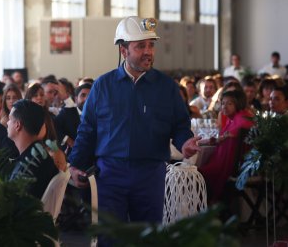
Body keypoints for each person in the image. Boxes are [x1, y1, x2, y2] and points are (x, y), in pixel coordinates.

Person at [68, 16, 200, 229]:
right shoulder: (103, 86)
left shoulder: (166, 87)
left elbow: (180, 125)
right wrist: (75, 164)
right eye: (140, 46)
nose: (148, 51)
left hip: (150, 174)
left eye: (151, 45)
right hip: (109, 175)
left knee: (147, 237)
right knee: (111, 238)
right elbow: (87, 130)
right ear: (123, 51)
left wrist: (185, 142)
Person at [197, 90, 253, 203]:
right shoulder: (233, 119)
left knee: (194, 172)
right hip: (232, 164)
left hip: (232, 167)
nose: (224, 107)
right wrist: (218, 139)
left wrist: (225, 136)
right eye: (223, 103)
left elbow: (241, 128)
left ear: (238, 104)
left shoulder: (242, 118)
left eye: (229, 104)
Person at [7, 99, 58, 199]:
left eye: (9, 119)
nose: (7, 123)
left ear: (17, 125)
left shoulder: (29, 166)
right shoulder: (41, 156)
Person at [55, 83, 91, 155]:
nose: (87, 99)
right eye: (83, 95)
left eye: (90, 96)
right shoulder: (67, 112)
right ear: (76, 99)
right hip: (70, 157)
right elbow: (54, 127)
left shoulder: (98, 115)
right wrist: (67, 139)